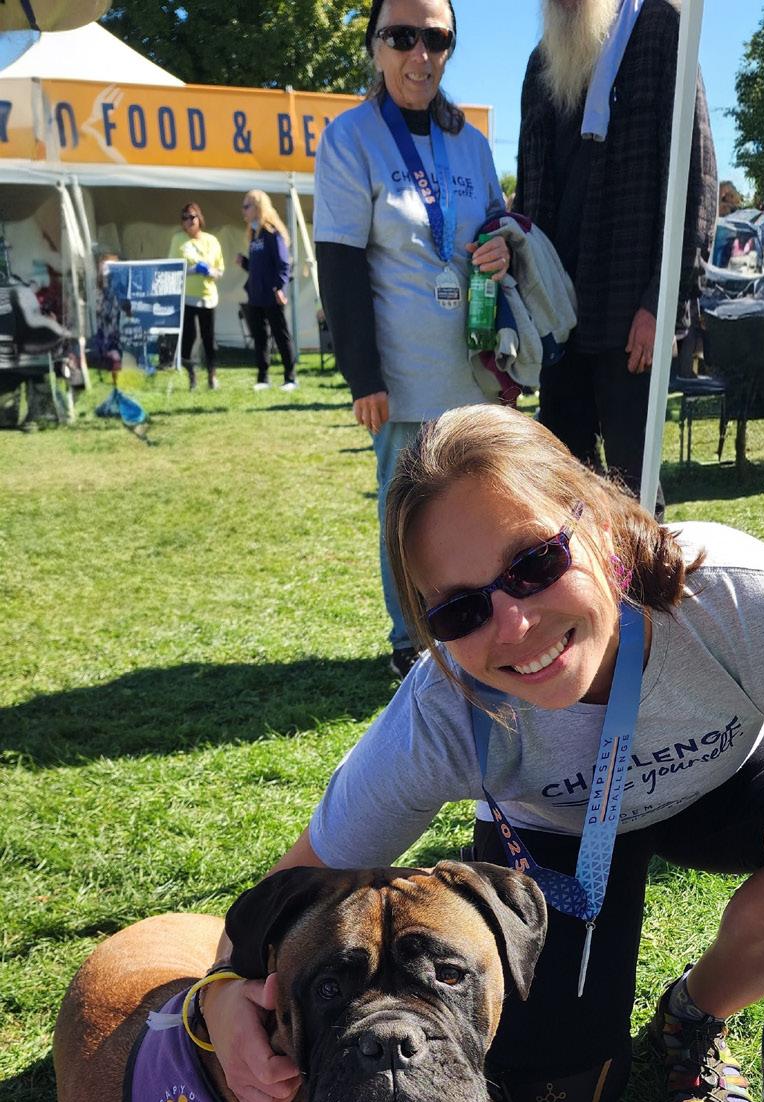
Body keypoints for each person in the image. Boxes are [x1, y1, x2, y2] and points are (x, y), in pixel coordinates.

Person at [199, 405, 764, 1102]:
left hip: (736, 776)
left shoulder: (737, 597)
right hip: (560, 828)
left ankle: (693, 1016)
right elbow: (291, 889)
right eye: (461, 611)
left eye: (535, 563)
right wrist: (219, 996)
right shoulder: (441, 713)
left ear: (600, 520)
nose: (514, 626)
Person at [313, 0, 510, 681]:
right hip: (401, 377)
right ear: (375, 45)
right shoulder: (350, 138)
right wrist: (362, 376)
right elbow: (338, 264)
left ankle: (469, 626)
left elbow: (497, 228)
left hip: (474, 372)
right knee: (408, 515)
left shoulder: (472, 143)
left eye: (436, 38)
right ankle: (413, 642)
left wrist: (500, 248)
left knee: (477, 505)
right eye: (401, 37)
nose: (419, 55)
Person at [514, 0, 718, 508]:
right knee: (561, 492)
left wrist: (660, 303)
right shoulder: (539, 64)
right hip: (558, 316)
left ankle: (644, 568)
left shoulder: (661, 31)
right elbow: (529, 199)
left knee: (636, 494)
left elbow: (696, 182)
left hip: (629, 317)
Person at [236, 190, 297, 392]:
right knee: (260, 337)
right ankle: (263, 378)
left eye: (247, 206)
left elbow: (283, 264)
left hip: (272, 294)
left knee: (280, 335)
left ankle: (290, 378)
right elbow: (258, 268)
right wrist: (245, 263)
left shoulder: (272, 234)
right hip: (256, 294)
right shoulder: (254, 235)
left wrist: (280, 288)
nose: (243, 211)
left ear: (258, 208)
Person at [169, 202, 224, 390]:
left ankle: (212, 375)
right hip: (187, 297)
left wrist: (210, 272)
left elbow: (220, 271)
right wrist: (193, 270)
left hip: (208, 297)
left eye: (192, 217)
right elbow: (173, 268)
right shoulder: (178, 239)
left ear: (199, 218)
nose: (189, 221)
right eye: (184, 218)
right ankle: (191, 376)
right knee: (188, 338)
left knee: (209, 339)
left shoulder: (212, 240)